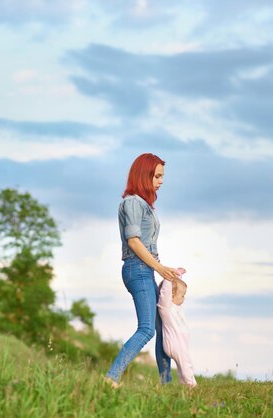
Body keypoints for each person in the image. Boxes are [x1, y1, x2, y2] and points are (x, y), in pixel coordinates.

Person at [105, 153, 182, 387]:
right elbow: (134, 241)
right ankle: (110, 378)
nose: (161, 181)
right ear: (144, 174)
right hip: (138, 269)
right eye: (157, 176)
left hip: (144, 268)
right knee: (147, 328)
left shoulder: (144, 205)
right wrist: (160, 268)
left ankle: (166, 384)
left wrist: (160, 268)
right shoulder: (132, 203)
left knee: (161, 327)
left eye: (162, 176)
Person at [158, 271, 198, 387]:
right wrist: (168, 278)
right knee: (186, 363)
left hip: (178, 344)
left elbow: (176, 287)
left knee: (183, 365)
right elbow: (166, 292)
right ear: (171, 295)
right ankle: (192, 385)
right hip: (174, 343)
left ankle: (184, 384)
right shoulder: (166, 307)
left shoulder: (177, 307)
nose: (183, 298)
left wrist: (177, 276)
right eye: (182, 295)